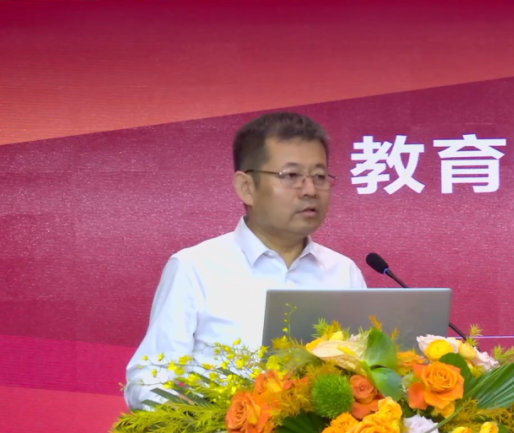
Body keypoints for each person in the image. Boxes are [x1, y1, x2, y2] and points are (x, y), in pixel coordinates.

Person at [124, 111, 366, 411]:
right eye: (291, 176)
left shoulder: (343, 272)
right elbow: (147, 381)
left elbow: (365, 375)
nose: (309, 190)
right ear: (246, 187)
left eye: (319, 176)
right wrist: (205, 419)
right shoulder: (195, 268)